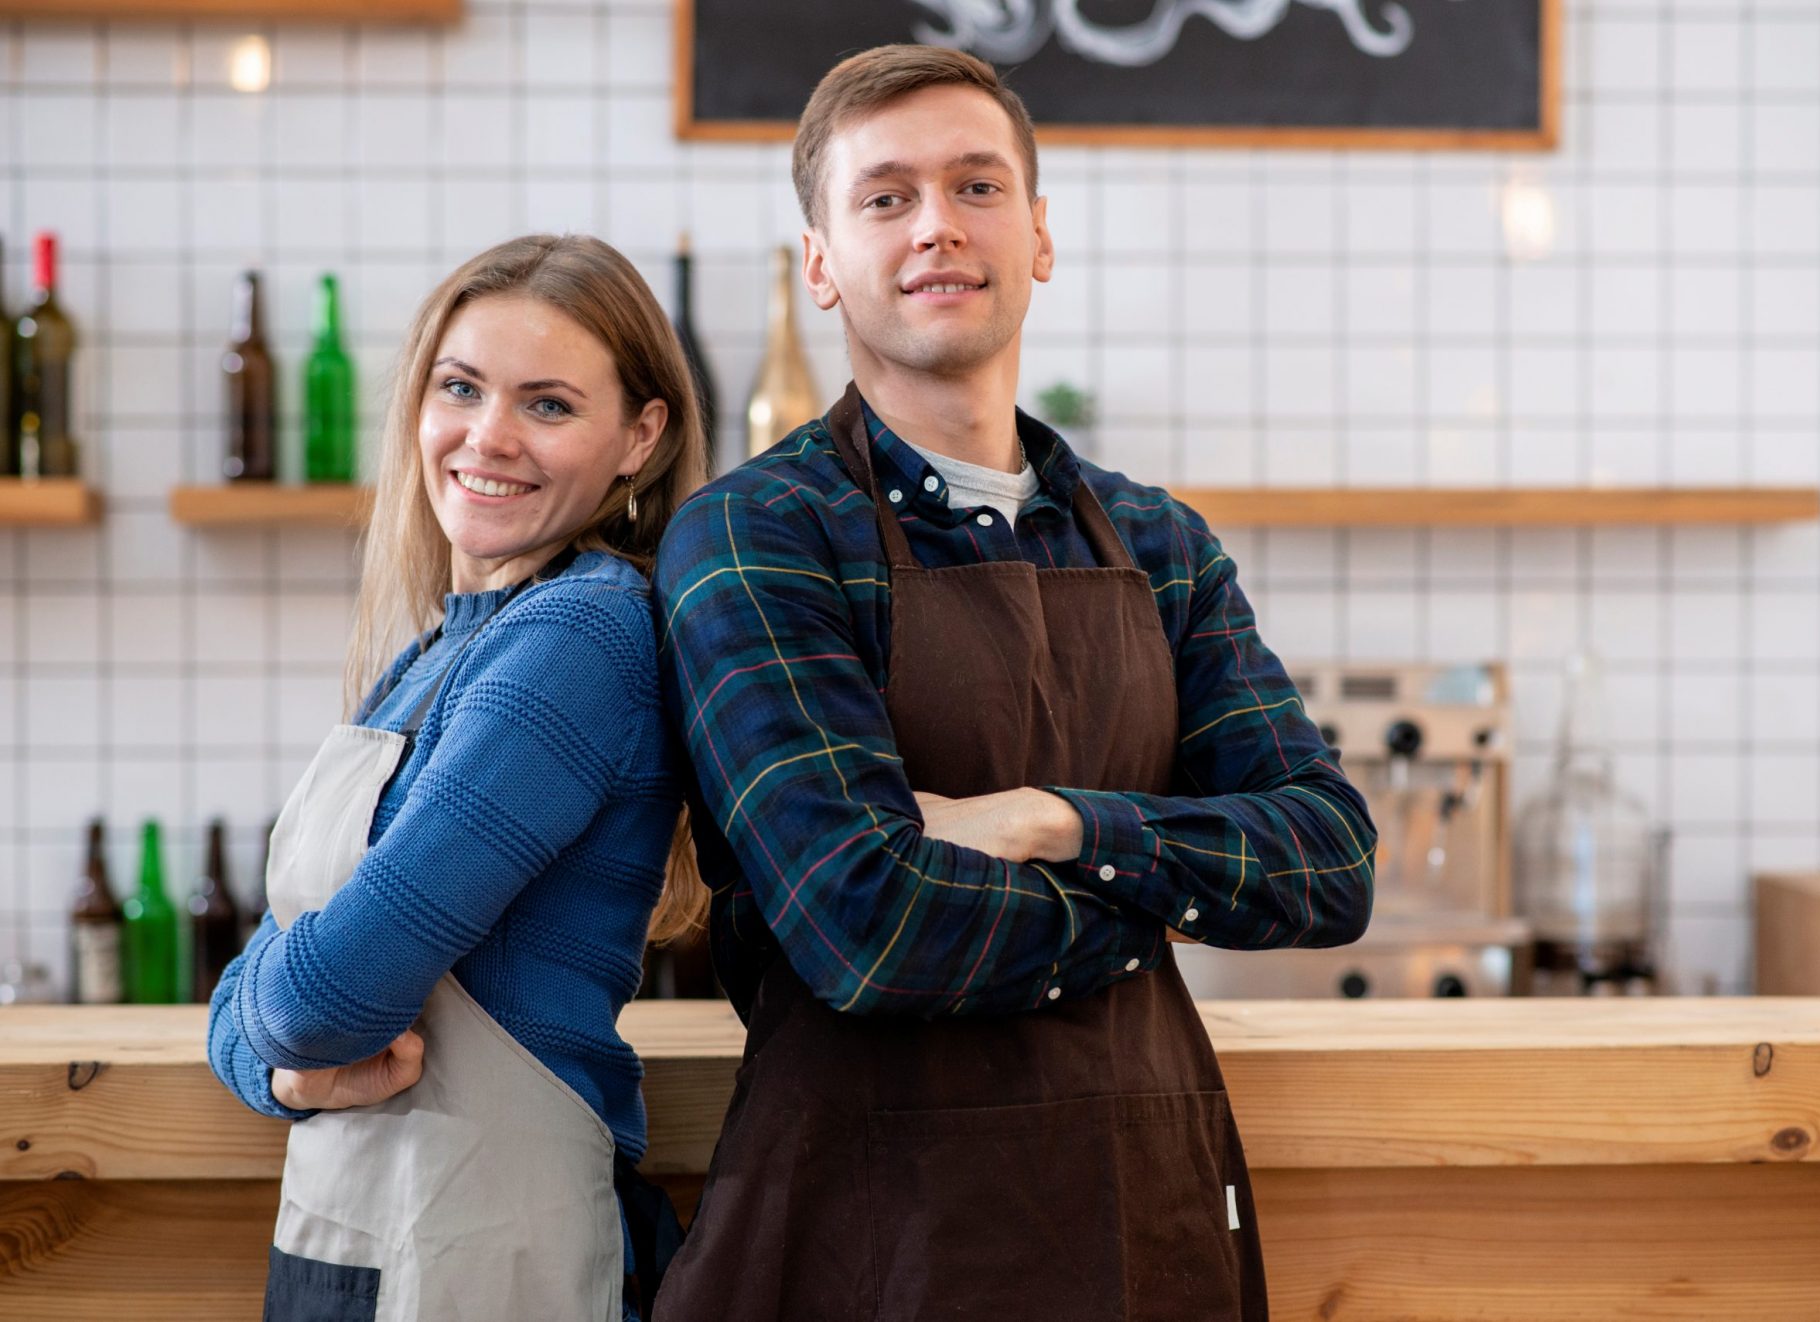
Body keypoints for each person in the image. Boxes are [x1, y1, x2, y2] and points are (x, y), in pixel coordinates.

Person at [652, 45, 1378, 1321]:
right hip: (865, 1246)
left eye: (977, 186)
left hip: (1143, 1225)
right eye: (884, 198)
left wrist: (1059, 821)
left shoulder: (1160, 544)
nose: (937, 225)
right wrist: (1159, 900)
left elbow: (1329, 862)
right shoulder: (758, 536)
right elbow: (865, 925)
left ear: (1039, 235)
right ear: (822, 263)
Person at [207, 234, 705, 1322]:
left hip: (492, 1253)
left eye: (549, 405)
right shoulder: (433, 652)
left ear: (641, 436)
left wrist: (274, 1035)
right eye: (461, 387)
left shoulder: (580, 633)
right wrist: (281, 1067)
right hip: (357, 1232)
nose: (488, 436)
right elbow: (279, 1002)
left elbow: (318, 993)